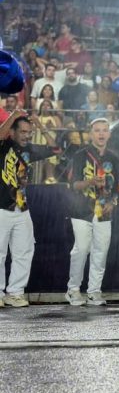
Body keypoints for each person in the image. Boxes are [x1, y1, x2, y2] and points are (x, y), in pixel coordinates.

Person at [0, 112, 58, 307]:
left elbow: (55, 149)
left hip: (21, 207)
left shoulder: (30, 149)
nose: (26, 136)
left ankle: (15, 293)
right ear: (13, 132)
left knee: (24, 251)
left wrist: (41, 126)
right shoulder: (3, 145)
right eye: (23, 132)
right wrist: (14, 115)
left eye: (29, 132)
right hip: (1, 207)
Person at [65, 118, 119, 306]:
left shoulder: (114, 159)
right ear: (91, 133)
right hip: (81, 209)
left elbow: (118, 187)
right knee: (81, 250)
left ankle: (94, 291)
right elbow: (73, 184)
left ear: (109, 134)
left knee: (101, 252)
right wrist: (90, 182)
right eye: (97, 130)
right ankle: (73, 290)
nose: (101, 134)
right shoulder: (80, 155)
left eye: (104, 130)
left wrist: (113, 202)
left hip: (104, 211)